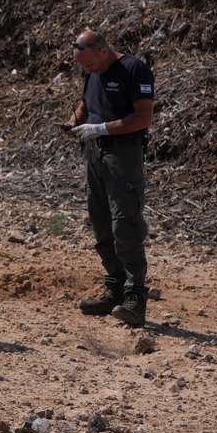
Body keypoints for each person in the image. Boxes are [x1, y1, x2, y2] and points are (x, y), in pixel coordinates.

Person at [61, 30, 154, 327]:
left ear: (102, 50)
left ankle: (134, 298)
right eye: (84, 68)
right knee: (100, 222)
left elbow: (143, 117)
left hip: (122, 154)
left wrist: (101, 129)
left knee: (124, 224)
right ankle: (113, 288)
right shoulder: (92, 71)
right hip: (95, 156)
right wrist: (75, 121)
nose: (88, 71)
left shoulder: (133, 69)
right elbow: (85, 104)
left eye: (90, 65)